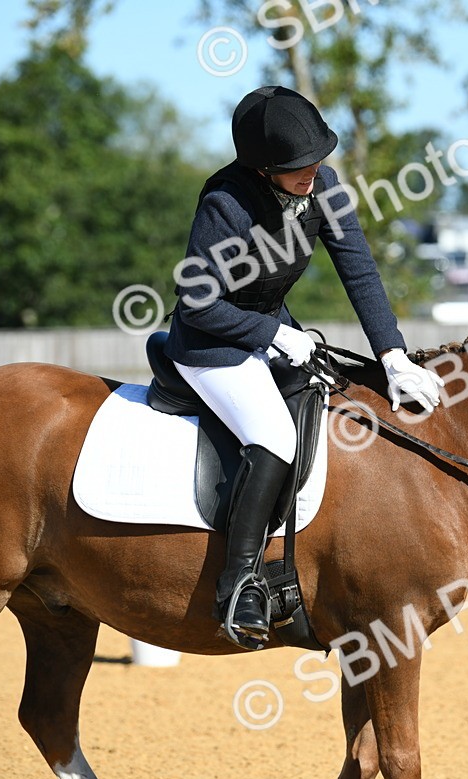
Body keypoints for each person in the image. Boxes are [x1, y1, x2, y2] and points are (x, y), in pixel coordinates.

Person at [165, 85, 445, 647]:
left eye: (317, 162)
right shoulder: (226, 201)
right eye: (298, 168)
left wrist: (393, 355)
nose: (312, 175)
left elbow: (360, 272)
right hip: (210, 343)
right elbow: (199, 301)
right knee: (273, 436)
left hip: (274, 332)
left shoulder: (326, 189)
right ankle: (240, 582)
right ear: (263, 168)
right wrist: (271, 334)